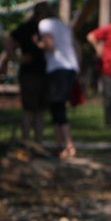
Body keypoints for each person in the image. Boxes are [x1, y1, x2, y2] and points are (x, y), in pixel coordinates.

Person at [3, 2, 49, 144]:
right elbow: (7, 38)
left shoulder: (47, 28)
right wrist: (15, 58)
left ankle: (39, 142)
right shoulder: (28, 27)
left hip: (45, 72)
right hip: (29, 73)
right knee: (29, 109)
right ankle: (26, 142)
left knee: (41, 110)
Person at [36, 10, 79, 158]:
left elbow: (50, 45)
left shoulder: (44, 24)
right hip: (70, 67)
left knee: (58, 107)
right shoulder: (65, 26)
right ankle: (59, 145)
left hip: (57, 67)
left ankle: (69, 145)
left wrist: (37, 43)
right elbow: (76, 47)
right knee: (56, 106)